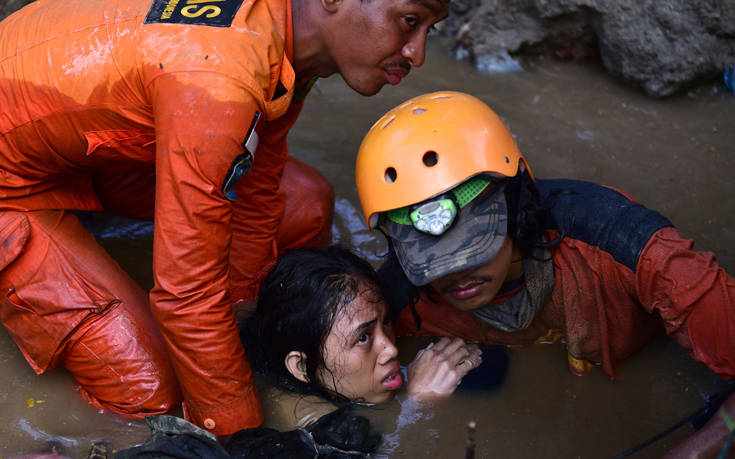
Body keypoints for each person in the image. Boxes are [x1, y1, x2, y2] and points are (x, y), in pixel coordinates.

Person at [0, 0, 450, 438]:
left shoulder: (285, 45)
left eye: (431, 28)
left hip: (83, 150)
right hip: (12, 185)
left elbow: (256, 192)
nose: (418, 52)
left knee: (306, 204)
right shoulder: (222, 78)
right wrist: (240, 436)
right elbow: (186, 294)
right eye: (409, 21)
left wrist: (245, 327)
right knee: (151, 392)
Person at [354, 91, 735, 455]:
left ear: (518, 206)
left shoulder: (630, 250)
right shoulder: (398, 298)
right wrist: (414, 403)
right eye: (434, 261)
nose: (457, 276)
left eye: (473, 249)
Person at [240, 245, 485, 430]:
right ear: (302, 367)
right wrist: (415, 405)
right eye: (363, 338)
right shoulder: (309, 421)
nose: (391, 349)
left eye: (386, 321)